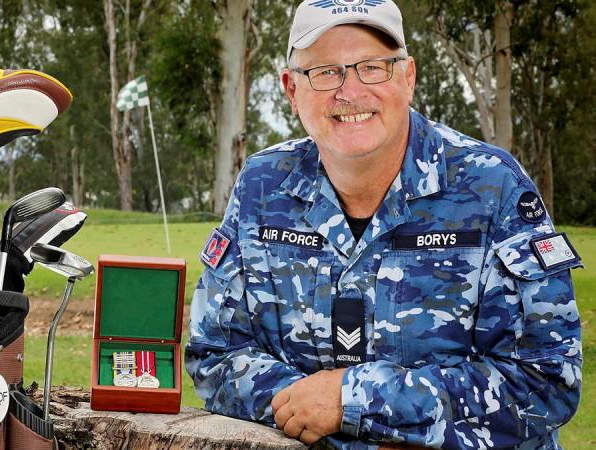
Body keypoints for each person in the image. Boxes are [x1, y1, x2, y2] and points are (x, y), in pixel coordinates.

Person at [185, 1, 583, 448]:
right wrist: (306, 408)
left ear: (408, 77)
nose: (350, 91)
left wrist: (353, 403)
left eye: (372, 67)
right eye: (325, 72)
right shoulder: (262, 186)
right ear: (291, 89)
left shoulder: (492, 186)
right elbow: (215, 353)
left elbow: (545, 381)